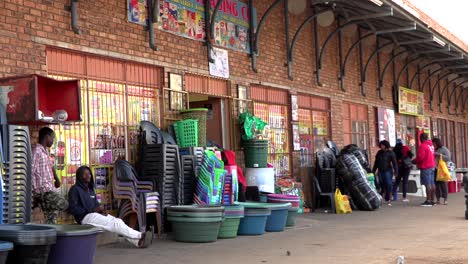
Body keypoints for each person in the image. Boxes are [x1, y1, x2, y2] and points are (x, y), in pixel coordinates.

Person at [68, 166, 152, 248]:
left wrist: (101, 210)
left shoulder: (90, 190)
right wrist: (92, 210)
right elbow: (73, 208)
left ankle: (138, 242)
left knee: (118, 221)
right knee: (114, 224)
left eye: (89, 173)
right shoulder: (75, 189)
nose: (88, 176)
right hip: (85, 218)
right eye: (85, 174)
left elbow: (96, 205)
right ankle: (140, 235)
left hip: (95, 215)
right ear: (79, 176)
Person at [32, 127, 68, 224]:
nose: (53, 141)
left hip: (49, 188)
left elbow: (51, 166)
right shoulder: (37, 151)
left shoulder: (45, 151)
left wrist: (57, 179)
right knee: (64, 204)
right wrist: (33, 194)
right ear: (47, 137)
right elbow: (31, 171)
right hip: (42, 190)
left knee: (51, 218)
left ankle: (50, 235)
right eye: (52, 138)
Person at [412, 133, 436, 207]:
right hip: (432, 166)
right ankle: (432, 200)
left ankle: (428, 201)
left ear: (421, 138)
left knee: (427, 184)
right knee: (432, 183)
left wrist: (414, 161)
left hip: (426, 167)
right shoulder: (431, 145)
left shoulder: (423, 146)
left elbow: (420, 157)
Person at [372, 140, 398, 206]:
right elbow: (376, 162)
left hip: (388, 170)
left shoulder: (391, 153)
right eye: (381, 145)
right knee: (381, 183)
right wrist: (373, 171)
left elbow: (394, 163)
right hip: (380, 170)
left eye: (383, 145)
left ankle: (389, 197)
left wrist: (396, 171)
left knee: (388, 183)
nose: (381, 146)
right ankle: (384, 194)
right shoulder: (379, 153)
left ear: (386, 145)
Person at [432, 138, 451, 205]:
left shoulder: (444, 149)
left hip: (442, 169)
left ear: (437, 143)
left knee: (443, 184)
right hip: (435, 169)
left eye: (434, 143)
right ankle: (438, 199)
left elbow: (448, 157)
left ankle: (445, 199)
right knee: (436, 185)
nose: (433, 145)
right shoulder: (433, 149)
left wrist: (439, 155)